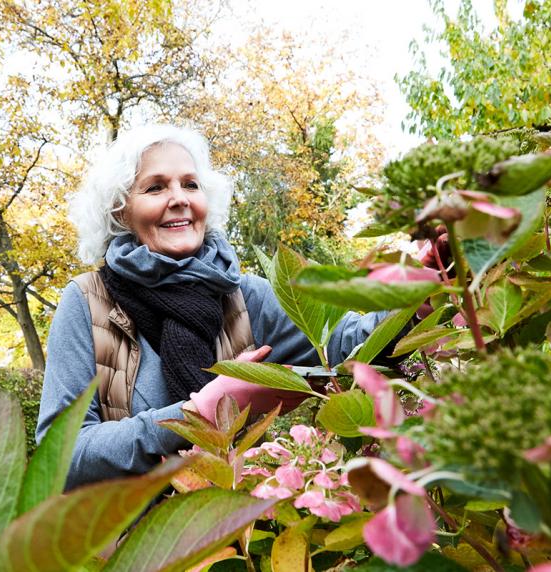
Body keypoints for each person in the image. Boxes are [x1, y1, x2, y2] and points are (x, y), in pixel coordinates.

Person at [36, 124, 386, 490]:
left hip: (245, 538)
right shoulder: (87, 302)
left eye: (190, 184)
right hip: (135, 542)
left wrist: (419, 293)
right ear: (120, 212)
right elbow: (60, 456)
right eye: (155, 187)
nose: (179, 198)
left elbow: (354, 344)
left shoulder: (246, 297)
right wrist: (199, 412)